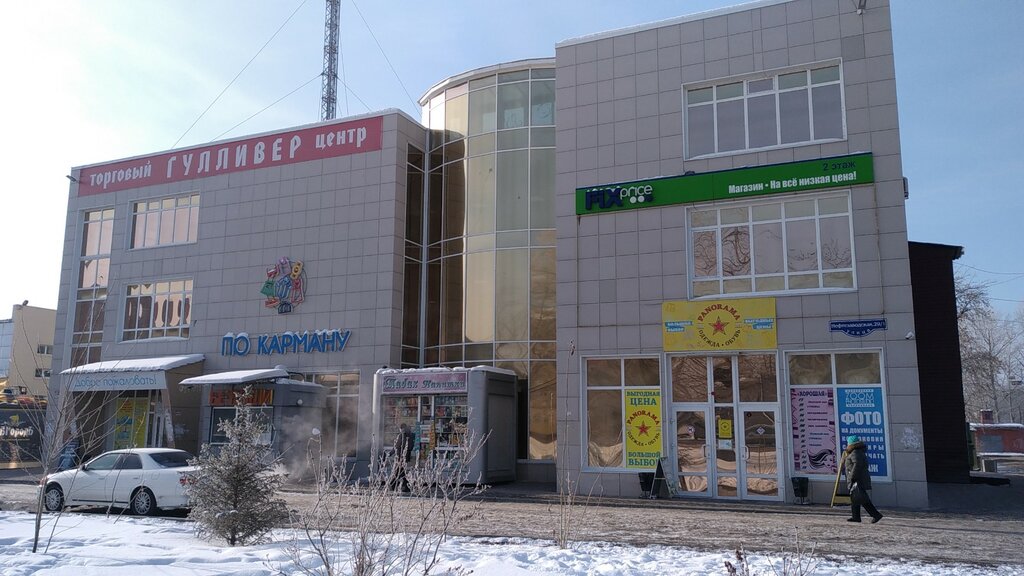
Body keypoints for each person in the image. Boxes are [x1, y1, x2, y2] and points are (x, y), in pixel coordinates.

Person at [844, 435, 883, 523]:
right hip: (857, 478)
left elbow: (857, 465)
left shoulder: (855, 452)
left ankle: (876, 515)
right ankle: (856, 517)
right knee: (855, 497)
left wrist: (852, 476)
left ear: (851, 444)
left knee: (862, 498)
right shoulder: (857, 452)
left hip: (857, 479)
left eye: (848, 443)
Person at [392, 423, 416, 492]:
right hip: (406, 456)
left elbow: (396, 446)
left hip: (400, 457)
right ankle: (406, 486)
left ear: (402, 428)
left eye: (400, 428)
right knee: (401, 471)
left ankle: (393, 485)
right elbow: (411, 446)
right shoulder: (410, 435)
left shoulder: (401, 436)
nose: (400, 430)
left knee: (399, 471)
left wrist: (390, 453)